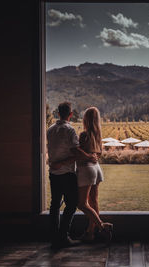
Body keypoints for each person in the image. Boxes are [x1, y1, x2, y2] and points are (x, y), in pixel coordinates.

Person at [47, 101, 97, 249]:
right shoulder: (69, 130)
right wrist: (89, 156)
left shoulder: (50, 130)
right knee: (72, 204)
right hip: (67, 174)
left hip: (53, 174)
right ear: (70, 114)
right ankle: (63, 236)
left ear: (57, 113)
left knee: (55, 205)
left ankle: (54, 238)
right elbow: (76, 152)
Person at [77, 107, 113, 242]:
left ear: (85, 119)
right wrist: (93, 156)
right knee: (94, 201)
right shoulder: (98, 135)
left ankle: (103, 227)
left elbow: (78, 153)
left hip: (86, 170)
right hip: (97, 169)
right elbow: (98, 154)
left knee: (82, 204)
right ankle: (90, 233)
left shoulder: (84, 135)